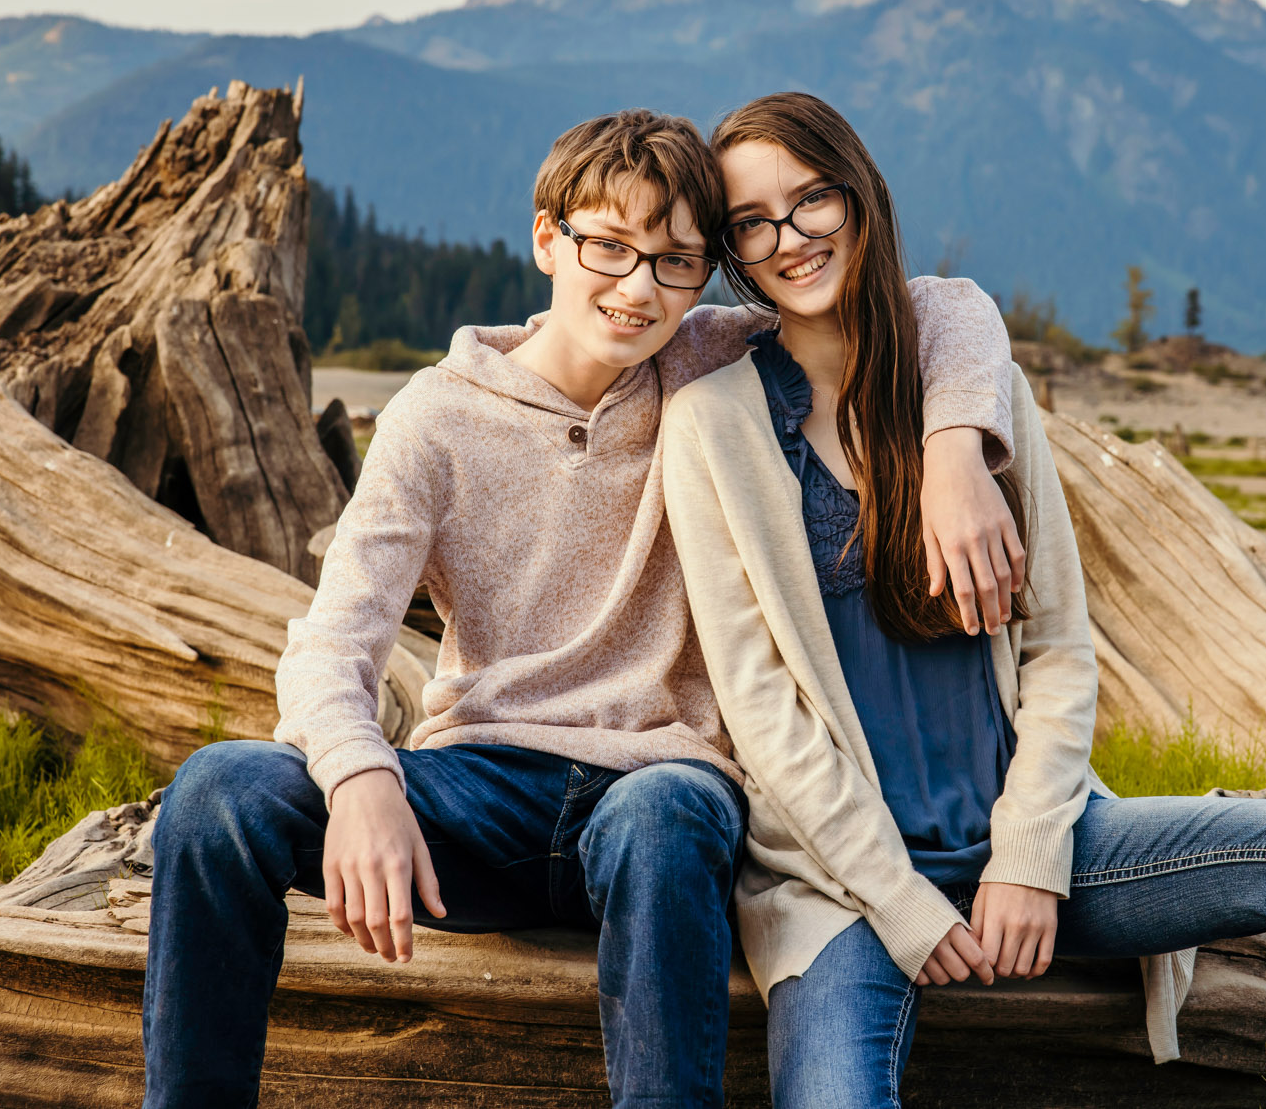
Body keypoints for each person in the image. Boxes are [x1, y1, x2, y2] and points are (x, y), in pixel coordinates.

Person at [141, 108, 1025, 1108]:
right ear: (546, 239)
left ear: (702, 277)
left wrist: (954, 447)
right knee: (218, 789)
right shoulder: (435, 419)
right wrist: (359, 780)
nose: (639, 287)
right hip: (476, 787)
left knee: (664, 813)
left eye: (675, 261)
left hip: (662, 785)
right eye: (609, 247)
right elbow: (329, 644)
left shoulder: (704, 362)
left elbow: (940, 306)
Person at [660, 92, 1266, 1108]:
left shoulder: (970, 392)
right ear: (732, 247)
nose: (790, 238)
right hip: (840, 884)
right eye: (753, 221)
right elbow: (761, 713)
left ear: (858, 197)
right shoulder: (712, 426)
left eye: (811, 199)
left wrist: (1029, 857)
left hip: (1047, 835)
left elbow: (1056, 649)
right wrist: (904, 904)